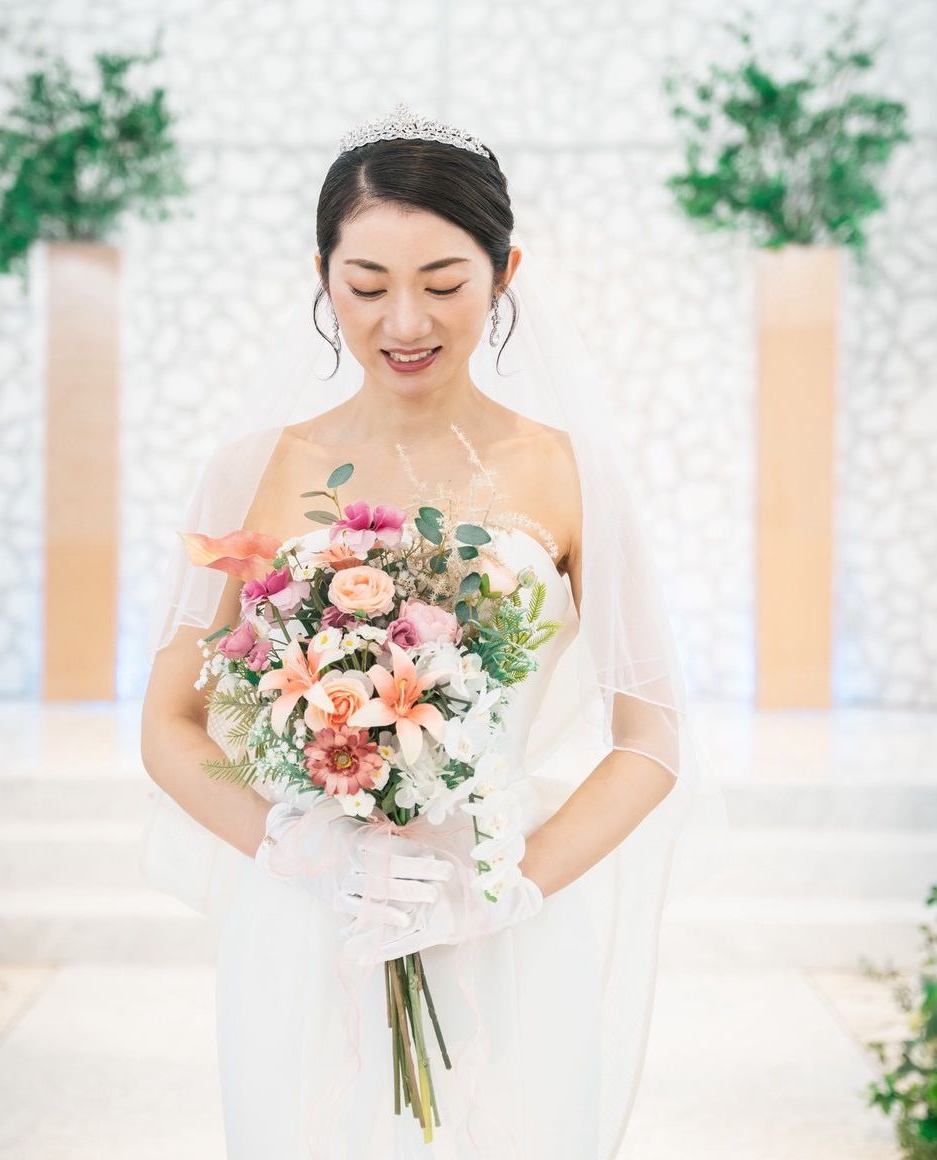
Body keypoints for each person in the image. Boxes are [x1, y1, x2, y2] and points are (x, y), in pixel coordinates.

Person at [139, 102, 729, 1160]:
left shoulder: (569, 472)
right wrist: (292, 840)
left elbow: (650, 739)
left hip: (504, 920)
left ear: (505, 274)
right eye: (366, 286)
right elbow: (170, 724)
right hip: (311, 916)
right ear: (321, 276)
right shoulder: (249, 469)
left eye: (444, 283)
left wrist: (508, 882)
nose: (403, 320)